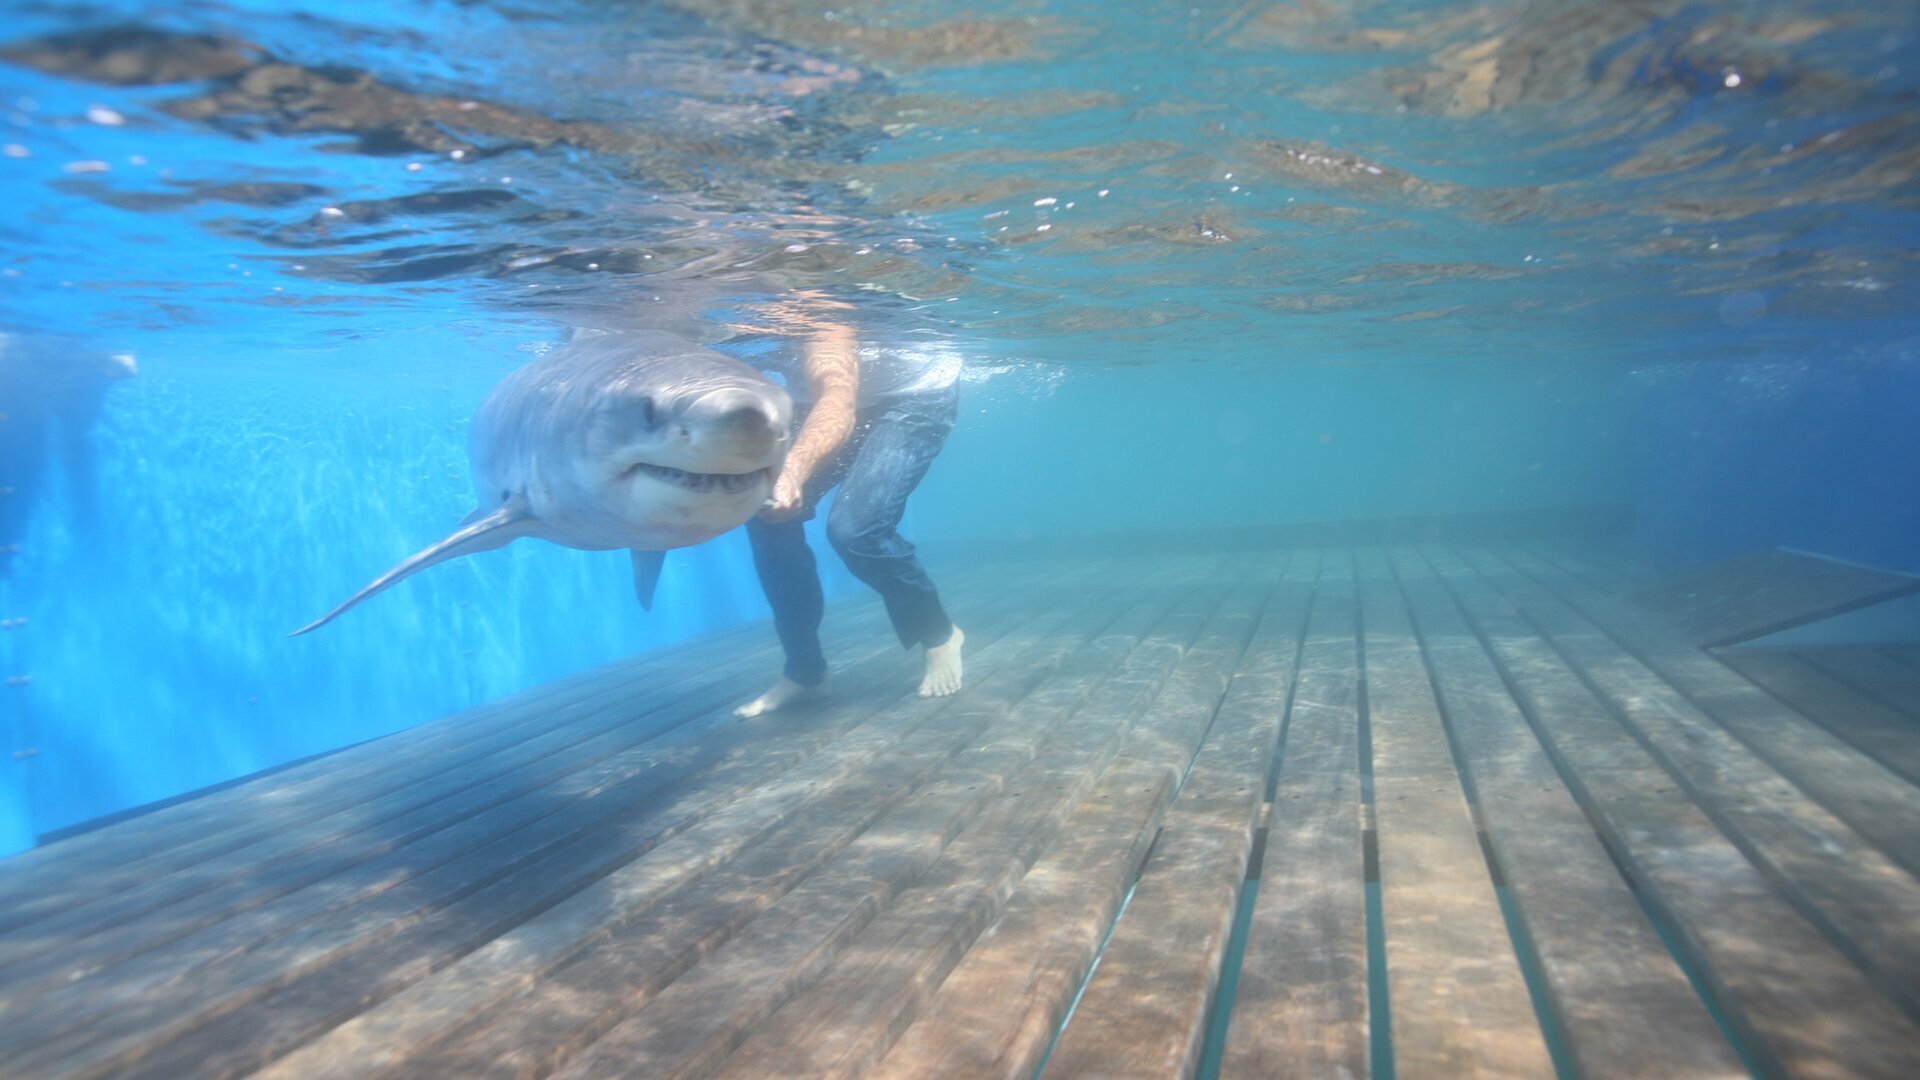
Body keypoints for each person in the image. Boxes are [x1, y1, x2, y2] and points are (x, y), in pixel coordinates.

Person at [729, 296, 964, 718]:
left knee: (857, 530)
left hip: (914, 394)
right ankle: (805, 673)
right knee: (765, 514)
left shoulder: (822, 313)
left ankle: (939, 633)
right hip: (813, 398)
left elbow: (838, 397)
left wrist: (793, 471)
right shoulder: (743, 307)